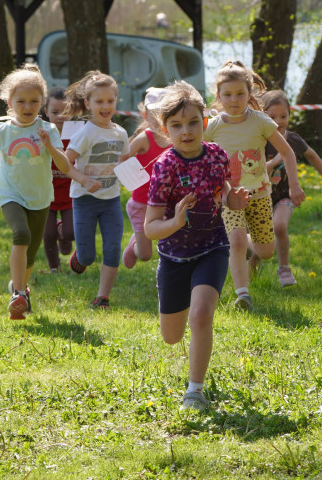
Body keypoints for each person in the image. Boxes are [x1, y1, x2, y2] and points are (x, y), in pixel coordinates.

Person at [144, 81, 247, 411]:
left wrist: (234, 198)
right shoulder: (164, 167)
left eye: (192, 123)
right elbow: (150, 228)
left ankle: (195, 391)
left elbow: (226, 191)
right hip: (173, 256)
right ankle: (182, 303)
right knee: (172, 336)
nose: (185, 131)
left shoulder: (217, 154)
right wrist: (175, 221)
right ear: (165, 129)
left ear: (204, 123)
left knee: (201, 315)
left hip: (213, 247)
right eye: (176, 125)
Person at [0, 65, 70, 320]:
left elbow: (65, 166)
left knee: (30, 252)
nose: (27, 106)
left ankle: (21, 290)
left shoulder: (48, 130)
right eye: (21, 101)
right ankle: (18, 292)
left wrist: (50, 146)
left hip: (40, 197)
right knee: (21, 234)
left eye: (33, 101)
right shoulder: (2, 130)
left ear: (42, 103)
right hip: (10, 194)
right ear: (10, 102)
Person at [202, 61, 305, 311]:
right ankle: (242, 294)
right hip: (229, 196)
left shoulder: (260, 121)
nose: (234, 99)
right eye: (227, 94)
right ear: (218, 96)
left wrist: (294, 186)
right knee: (235, 241)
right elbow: (199, 154)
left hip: (259, 195)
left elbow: (288, 152)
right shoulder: (214, 126)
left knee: (266, 251)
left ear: (249, 94)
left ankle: (248, 241)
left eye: (240, 94)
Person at [64, 71, 131, 309]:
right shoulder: (86, 133)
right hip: (84, 199)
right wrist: (83, 179)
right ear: (88, 104)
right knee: (87, 258)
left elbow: (123, 160)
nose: (105, 106)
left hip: (110, 199)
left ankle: (102, 297)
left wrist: (134, 176)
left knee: (113, 250)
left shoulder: (120, 132)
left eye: (110, 101)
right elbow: (65, 162)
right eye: (99, 101)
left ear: (116, 101)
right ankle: (79, 254)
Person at [257, 90, 322, 286]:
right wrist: (273, 162)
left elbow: (312, 156)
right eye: (272, 117)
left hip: (284, 196)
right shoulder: (258, 141)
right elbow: (253, 170)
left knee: (279, 226)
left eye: (284, 116)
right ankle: (251, 271)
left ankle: (284, 269)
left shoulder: (293, 140)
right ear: (262, 116)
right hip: (259, 197)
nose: (279, 121)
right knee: (259, 239)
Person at [123, 88, 171, 269]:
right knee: (145, 255)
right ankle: (134, 244)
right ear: (145, 114)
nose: (159, 119)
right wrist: (133, 174)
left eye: (164, 113)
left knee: (169, 245)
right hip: (141, 204)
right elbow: (123, 157)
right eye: (154, 114)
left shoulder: (174, 137)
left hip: (166, 203)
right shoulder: (145, 138)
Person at [42, 87, 74, 269]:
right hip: (46, 195)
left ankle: (63, 231)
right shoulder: (41, 135)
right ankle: (55, 268)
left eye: (65, 112)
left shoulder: (78, 136)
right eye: (55, 112)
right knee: (48, 234)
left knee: (71, 233)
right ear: (46, 111)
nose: (60, 116)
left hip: (70, 194)